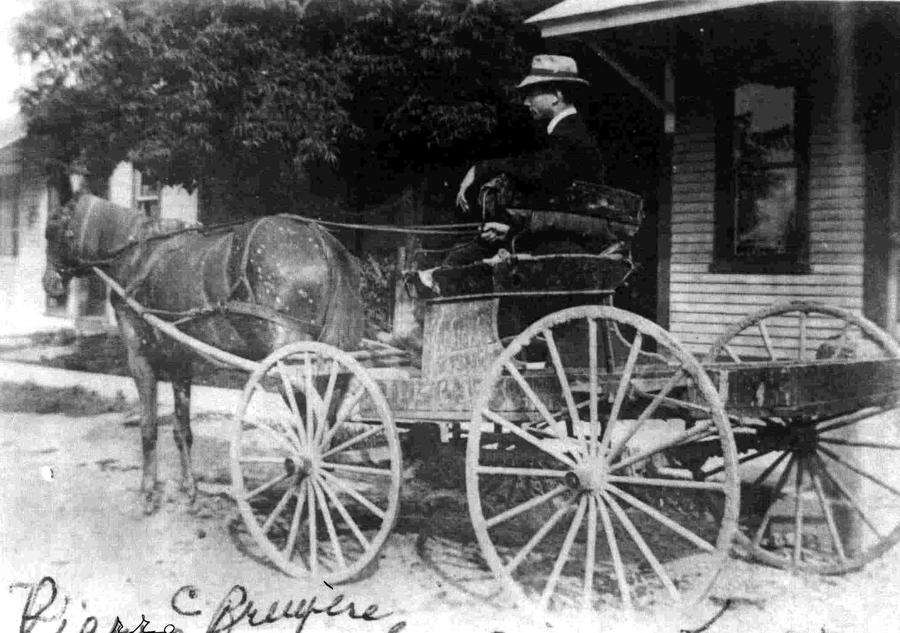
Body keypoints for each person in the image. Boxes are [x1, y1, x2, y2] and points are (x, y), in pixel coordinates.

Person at [446, 54, 604, 264]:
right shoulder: (570, 133)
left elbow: (533, 173)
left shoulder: (567, 137)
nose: (526, 101)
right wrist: (509, 229)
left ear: (556, 95)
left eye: (532, 93)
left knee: (459, 260)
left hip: (563, 249)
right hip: (558, 239)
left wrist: (482, 168)